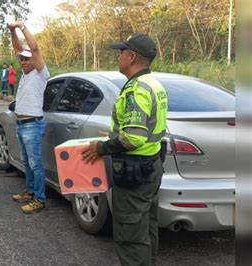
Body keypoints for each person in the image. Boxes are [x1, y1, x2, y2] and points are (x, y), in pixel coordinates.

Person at [81, 33, 168, 265]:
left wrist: (102, 147)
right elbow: (145, 128)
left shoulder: (136, 90)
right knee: (147, 229)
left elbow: (134, 137)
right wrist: (115, 136)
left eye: (121, 52)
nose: (118, 56)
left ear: (131, 57)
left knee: (130, 237)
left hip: (135, 172)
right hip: (151, 167)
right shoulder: (154, 84)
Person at [8, 21, 50, 214]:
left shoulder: (40, 73)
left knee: (35, 164)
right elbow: (18, 48)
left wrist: (22, 26)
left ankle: (39, 200)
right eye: (22, 60)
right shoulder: (25, 73)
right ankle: (30, 191)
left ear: (34, 60)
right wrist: (12, 31)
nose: (24, 62)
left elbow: (34, 48)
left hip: (33, 125)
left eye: (27, 59)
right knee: (27, 163)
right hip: (22, 125)